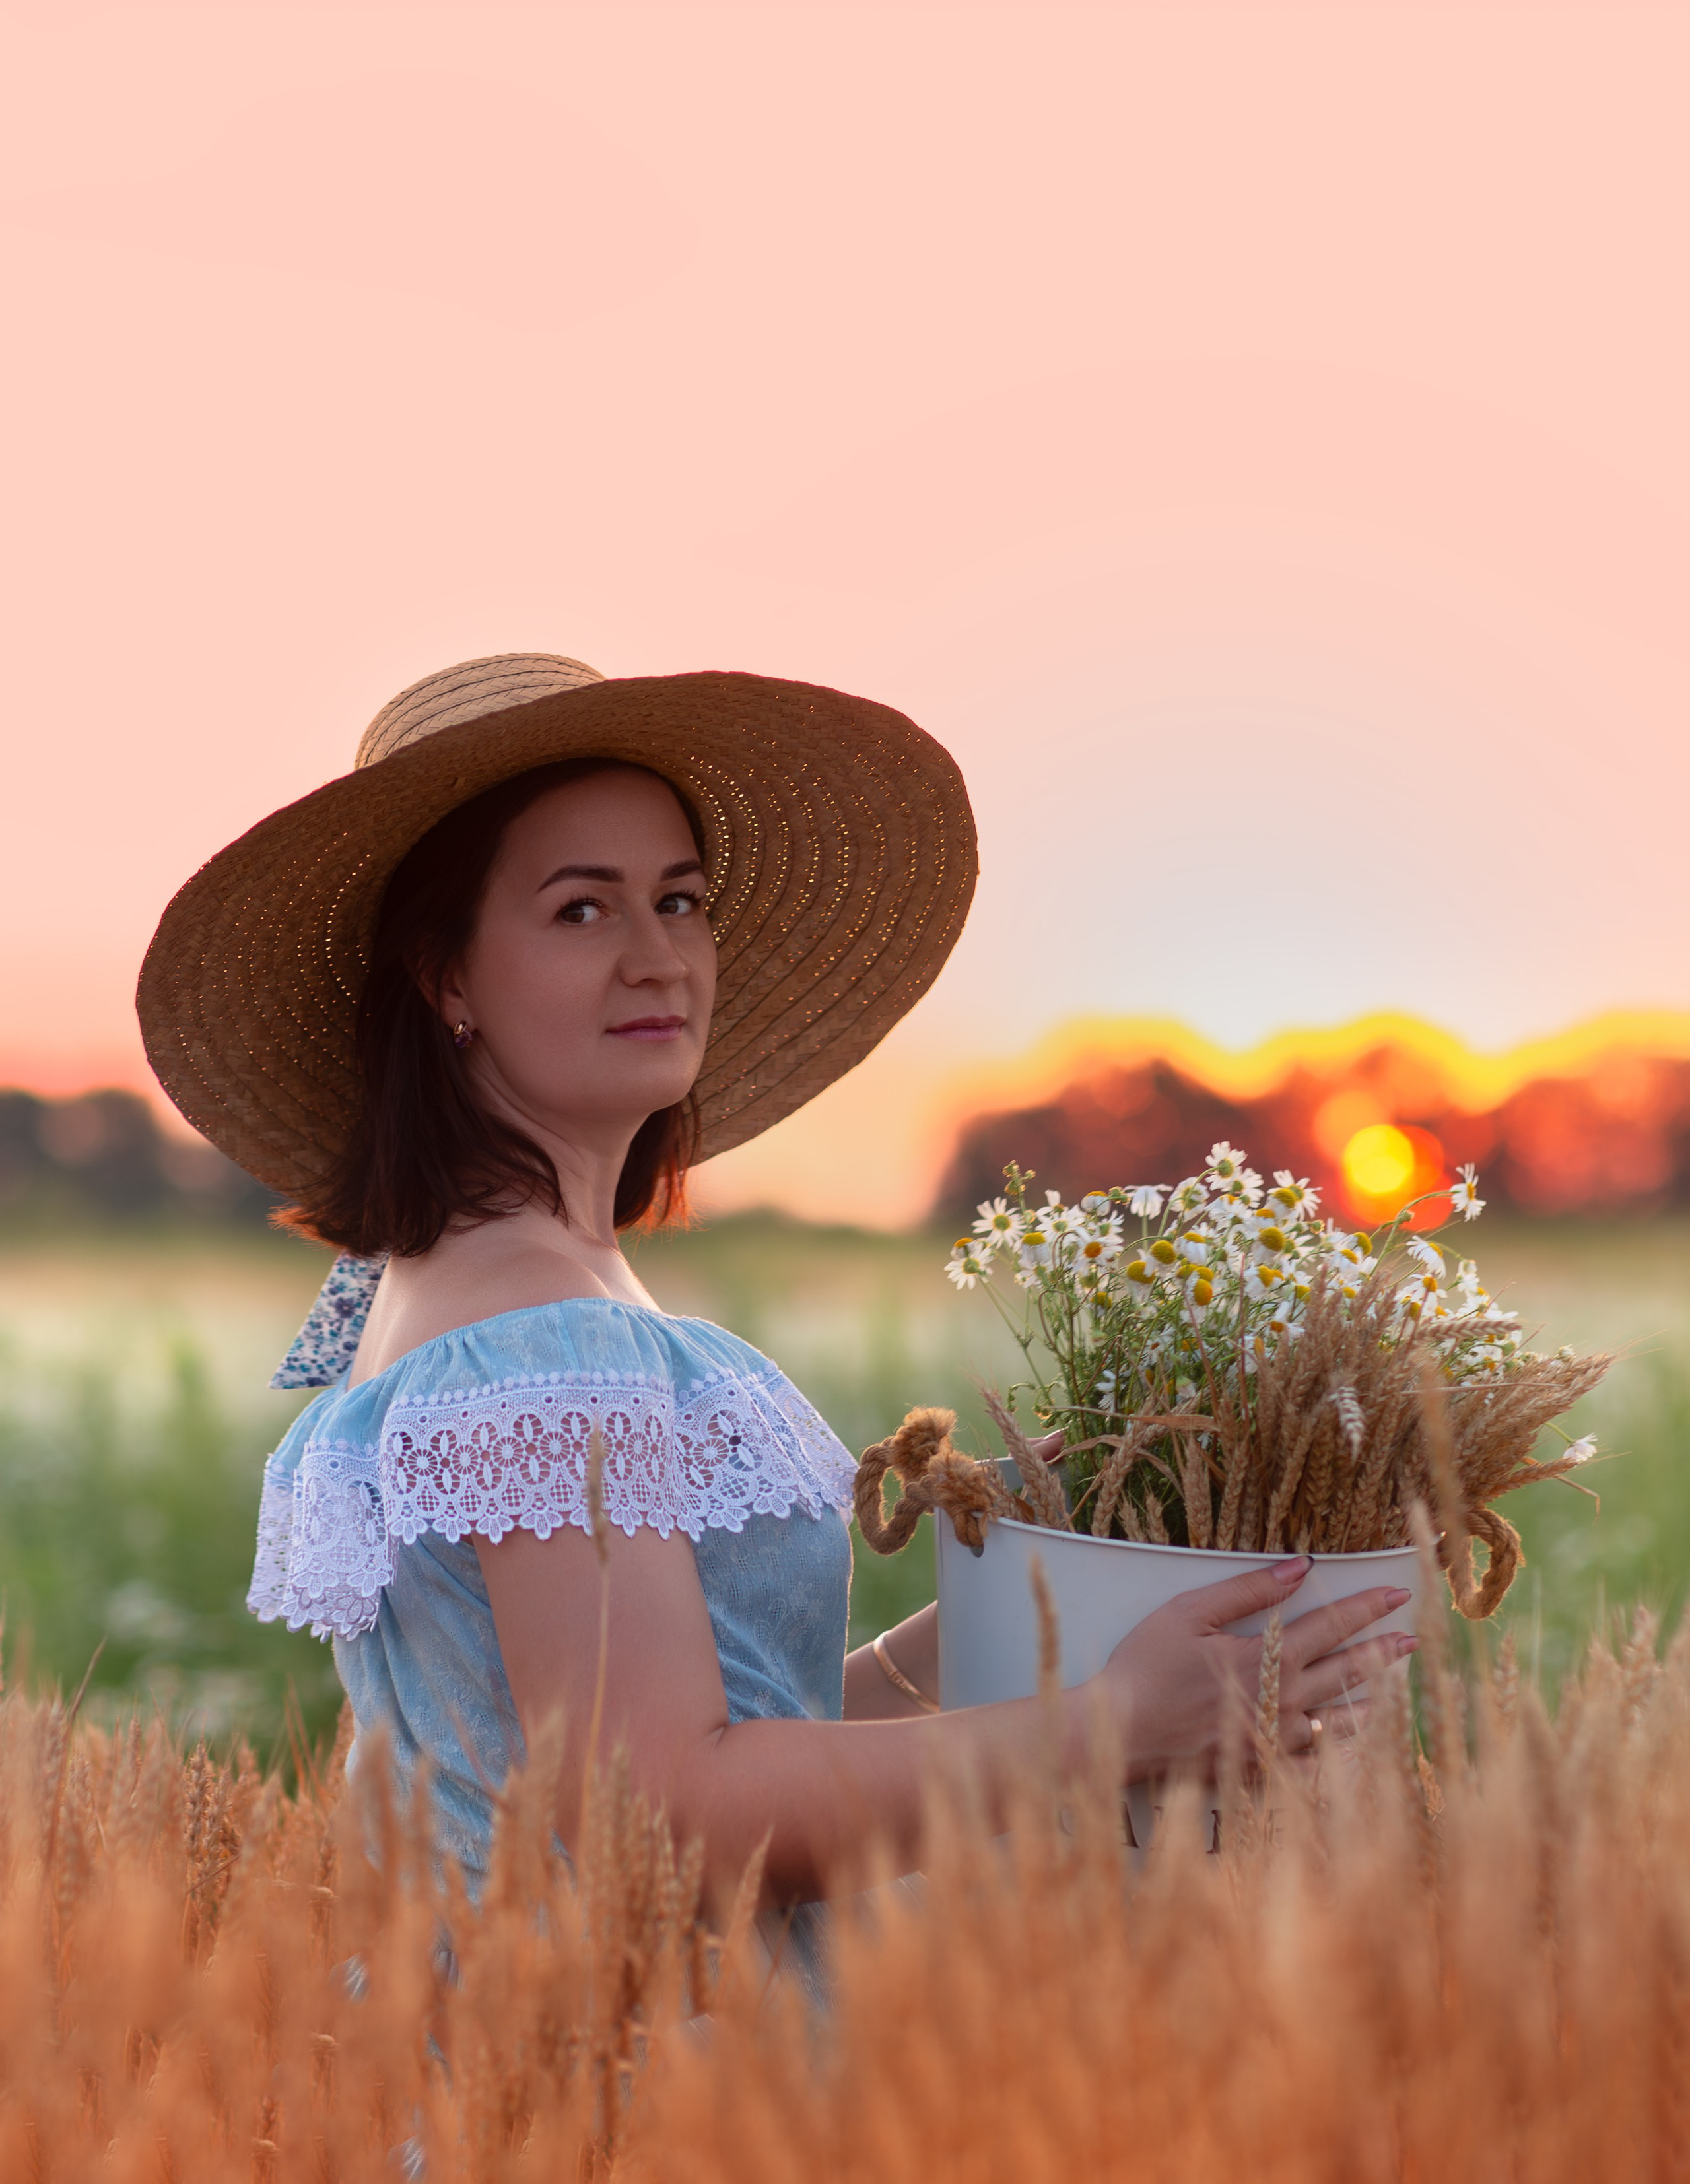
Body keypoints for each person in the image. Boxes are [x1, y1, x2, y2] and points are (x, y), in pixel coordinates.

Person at [139, 651, 1413, 1975]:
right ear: (444, 977)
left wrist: (1004, 1605)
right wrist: (1112, 1728)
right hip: (613, 2066)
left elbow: (716, 1724)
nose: (657, 957)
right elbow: (667, 1823)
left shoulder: (496, 1285)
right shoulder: (538, 1336)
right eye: (581, 909)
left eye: (678, 900)